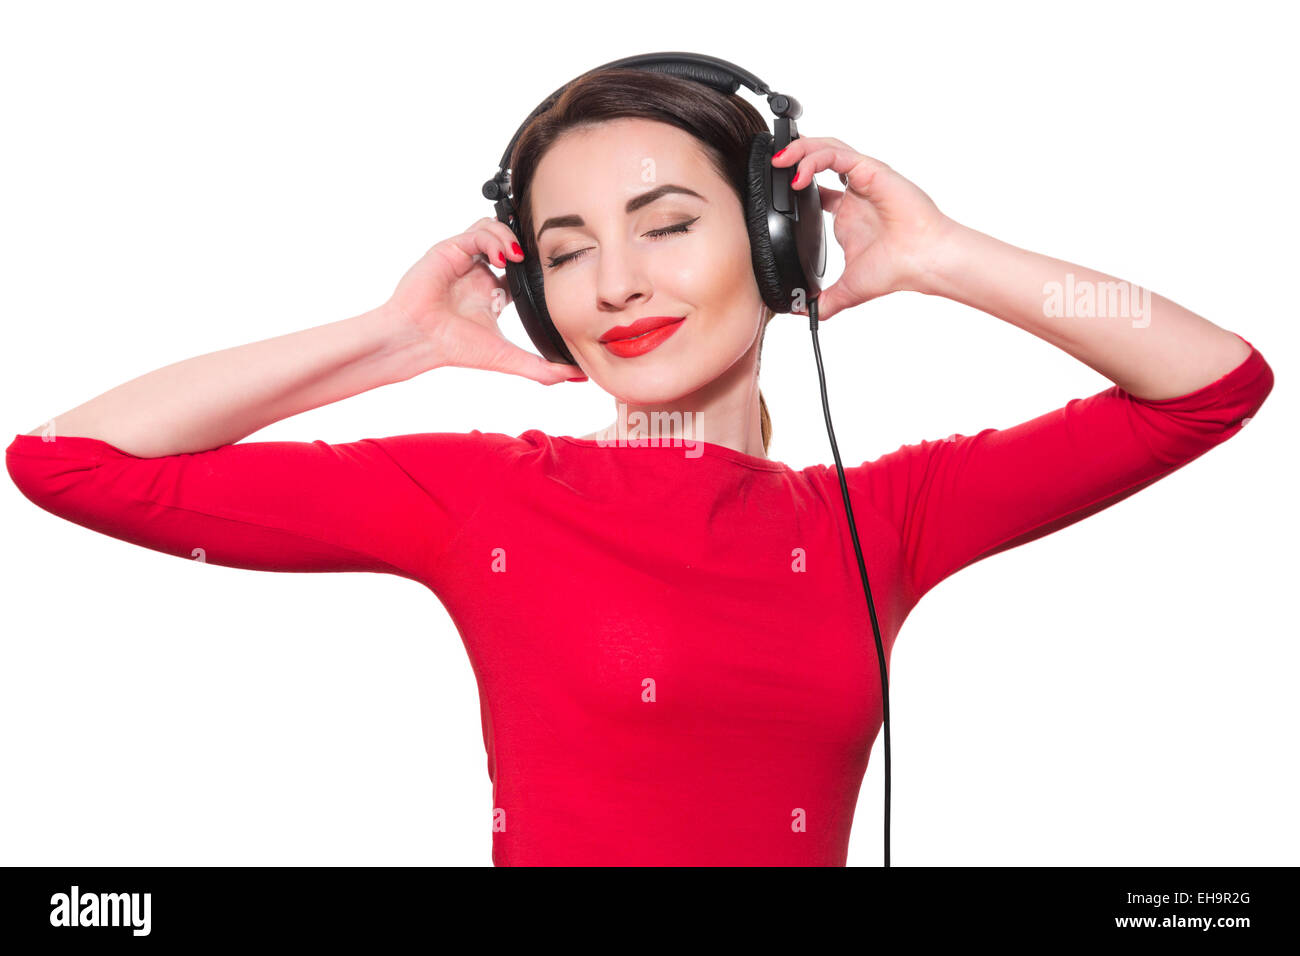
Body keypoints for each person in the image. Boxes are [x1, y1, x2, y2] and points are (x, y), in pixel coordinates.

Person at [5, 68, 1274, 866]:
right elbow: (68, 462)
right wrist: (394, 339)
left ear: (777, 246)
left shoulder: (884, 516)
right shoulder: (485, 496)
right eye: (565, 251)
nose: (615, 282)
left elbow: (1212, 382)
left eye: (667, 226)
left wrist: (945, 254)